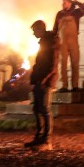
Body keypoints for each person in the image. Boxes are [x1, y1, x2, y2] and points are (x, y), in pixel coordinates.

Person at [27, 20, 59, 148]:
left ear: (40, 29)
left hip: (46, 82)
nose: (34, 34)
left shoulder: (51, 42)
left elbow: (53, 66)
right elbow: (39, 64)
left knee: (45, 109)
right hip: (40, 80)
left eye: (35, 31)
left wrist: (43, 80)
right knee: (37, 108)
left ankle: (46, 139)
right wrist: (34, 80)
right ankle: (39, 136)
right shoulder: (44, 42)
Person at [53, 0, 84, 92]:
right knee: (62, 64)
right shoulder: (59, 14)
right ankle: (64, 86)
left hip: (73, 41)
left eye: (64, 3)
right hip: (62, 42)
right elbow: (55, 28)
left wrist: (77, 3)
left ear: (69, 3)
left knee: (75, 63)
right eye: (62, 3)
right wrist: (54, 39)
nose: (62, 5)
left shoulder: (76, 12)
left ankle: (75, 85)